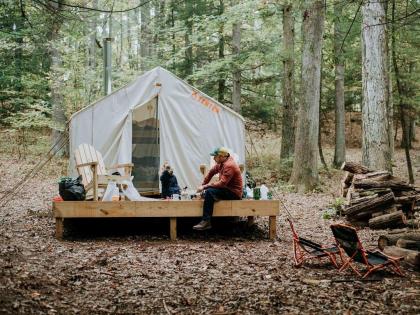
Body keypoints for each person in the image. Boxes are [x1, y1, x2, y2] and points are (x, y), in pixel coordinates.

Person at [193, 147, 243, 230]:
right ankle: (206, 219)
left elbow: (222, 183)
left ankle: (206, 222)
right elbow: (211, 172)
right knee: (208, 192)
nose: (213, 158)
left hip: (234, 193)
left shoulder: (229, 165)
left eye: (215, 156)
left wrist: (205, 187)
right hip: (227, 189)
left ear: (221, 156)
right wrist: (203, 184)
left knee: (210, 192)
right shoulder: (222, 163)